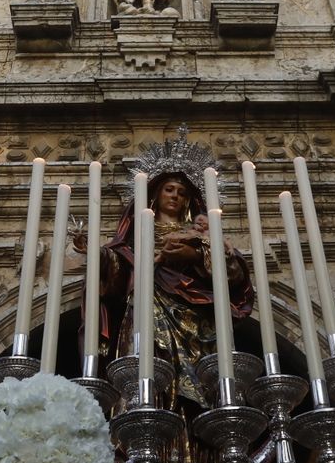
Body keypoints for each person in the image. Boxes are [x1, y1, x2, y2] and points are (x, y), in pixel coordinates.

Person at [92, 167, 253, 410]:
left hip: (195, 313)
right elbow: (120, 266)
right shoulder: (138, 232)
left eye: (181, 192)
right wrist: (97, 255)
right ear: (156, 194)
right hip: (147, 305)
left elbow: (233, 274)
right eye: (169, 190)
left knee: (201, 385)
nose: (175, 195)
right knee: (147, 365)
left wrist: (196, 256)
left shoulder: (199, 232)